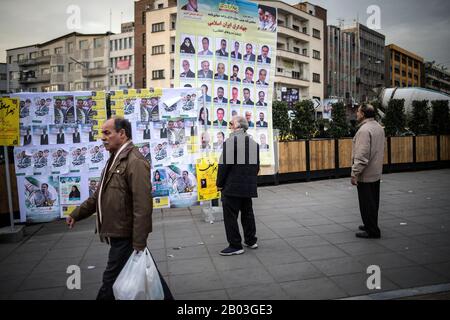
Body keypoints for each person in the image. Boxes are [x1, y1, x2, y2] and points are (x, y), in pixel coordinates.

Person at [67, 117, 173, 300]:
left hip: (126, 236)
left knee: (110, 283)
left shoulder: (135, 161)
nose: (102, 137)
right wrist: (77, 214)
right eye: (102, 133)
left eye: (107, 133)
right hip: (120, 234)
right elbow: (99, 195)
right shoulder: (114, 159)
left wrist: (139, 242)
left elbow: (143, 206)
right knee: (147, 274)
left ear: (122, 134)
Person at [217, 115, 260, 255]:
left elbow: (223, 166)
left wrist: (219, 184)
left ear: (239, 127)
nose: (229, 126)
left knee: (230, 216)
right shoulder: (253, 143)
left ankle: (235, 245)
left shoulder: (231, 142)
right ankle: (251, 240)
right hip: (247, 186)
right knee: (247, 213)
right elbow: (256, 167)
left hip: (232, 186)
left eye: (231, 124)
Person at [351, 104, 385, 239]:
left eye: (358, 111)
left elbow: (362, 155)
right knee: (373, 201)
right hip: (375, 171)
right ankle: (370, 224)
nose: (356, 114)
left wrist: (355, 173)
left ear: (363, 114)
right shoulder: (378, 127)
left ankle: (372, 230)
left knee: (366, 202)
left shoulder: (364, 130)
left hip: (366, 173)